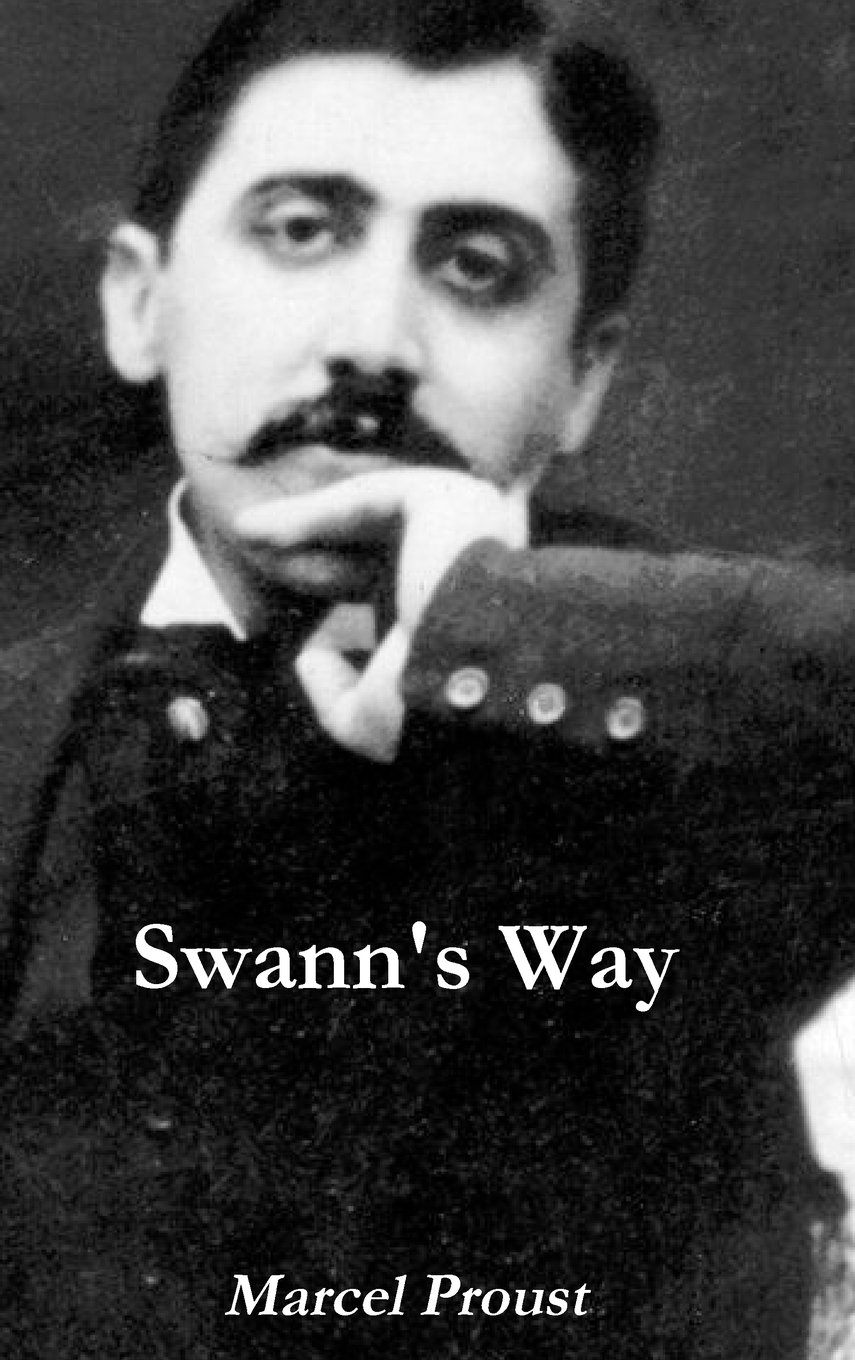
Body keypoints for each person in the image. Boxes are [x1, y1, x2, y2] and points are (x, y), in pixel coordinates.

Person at [1, 0, 854, 1356]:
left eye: (476, 267)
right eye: (300, 230)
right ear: (139, 304)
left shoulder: (737, 733)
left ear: (583, 379)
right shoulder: (21, 747)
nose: (376, 342)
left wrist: (497, 621)